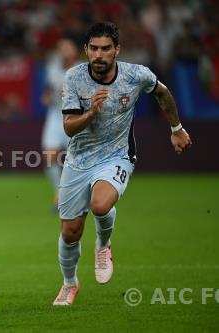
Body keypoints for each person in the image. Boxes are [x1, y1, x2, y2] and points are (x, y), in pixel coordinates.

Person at [53, 22, 192, 306]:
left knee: (101, 205)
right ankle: (69, 284)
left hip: (117, 155)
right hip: (79, 159)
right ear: (86, 50)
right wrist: (91, 111)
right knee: (70, 232)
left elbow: (163, 93)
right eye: (94, 49)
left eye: (106, 49)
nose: (99, 55)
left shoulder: (136, 74)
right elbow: (68, 127)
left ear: (117, 50)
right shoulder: (74, 77)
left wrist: (176, 128)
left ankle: (103, 245)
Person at [41, 38, 80, 212]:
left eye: (67, 48)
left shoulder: (82, 70)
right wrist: (47, 96)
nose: (64, 52)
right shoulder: (52, 68)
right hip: (55, 115)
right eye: (61, 49)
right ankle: (59, 195)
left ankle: (77, 196)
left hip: (75, 116)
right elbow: (48, 90)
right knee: (49, 156)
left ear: (75, 51)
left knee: (77, 160)